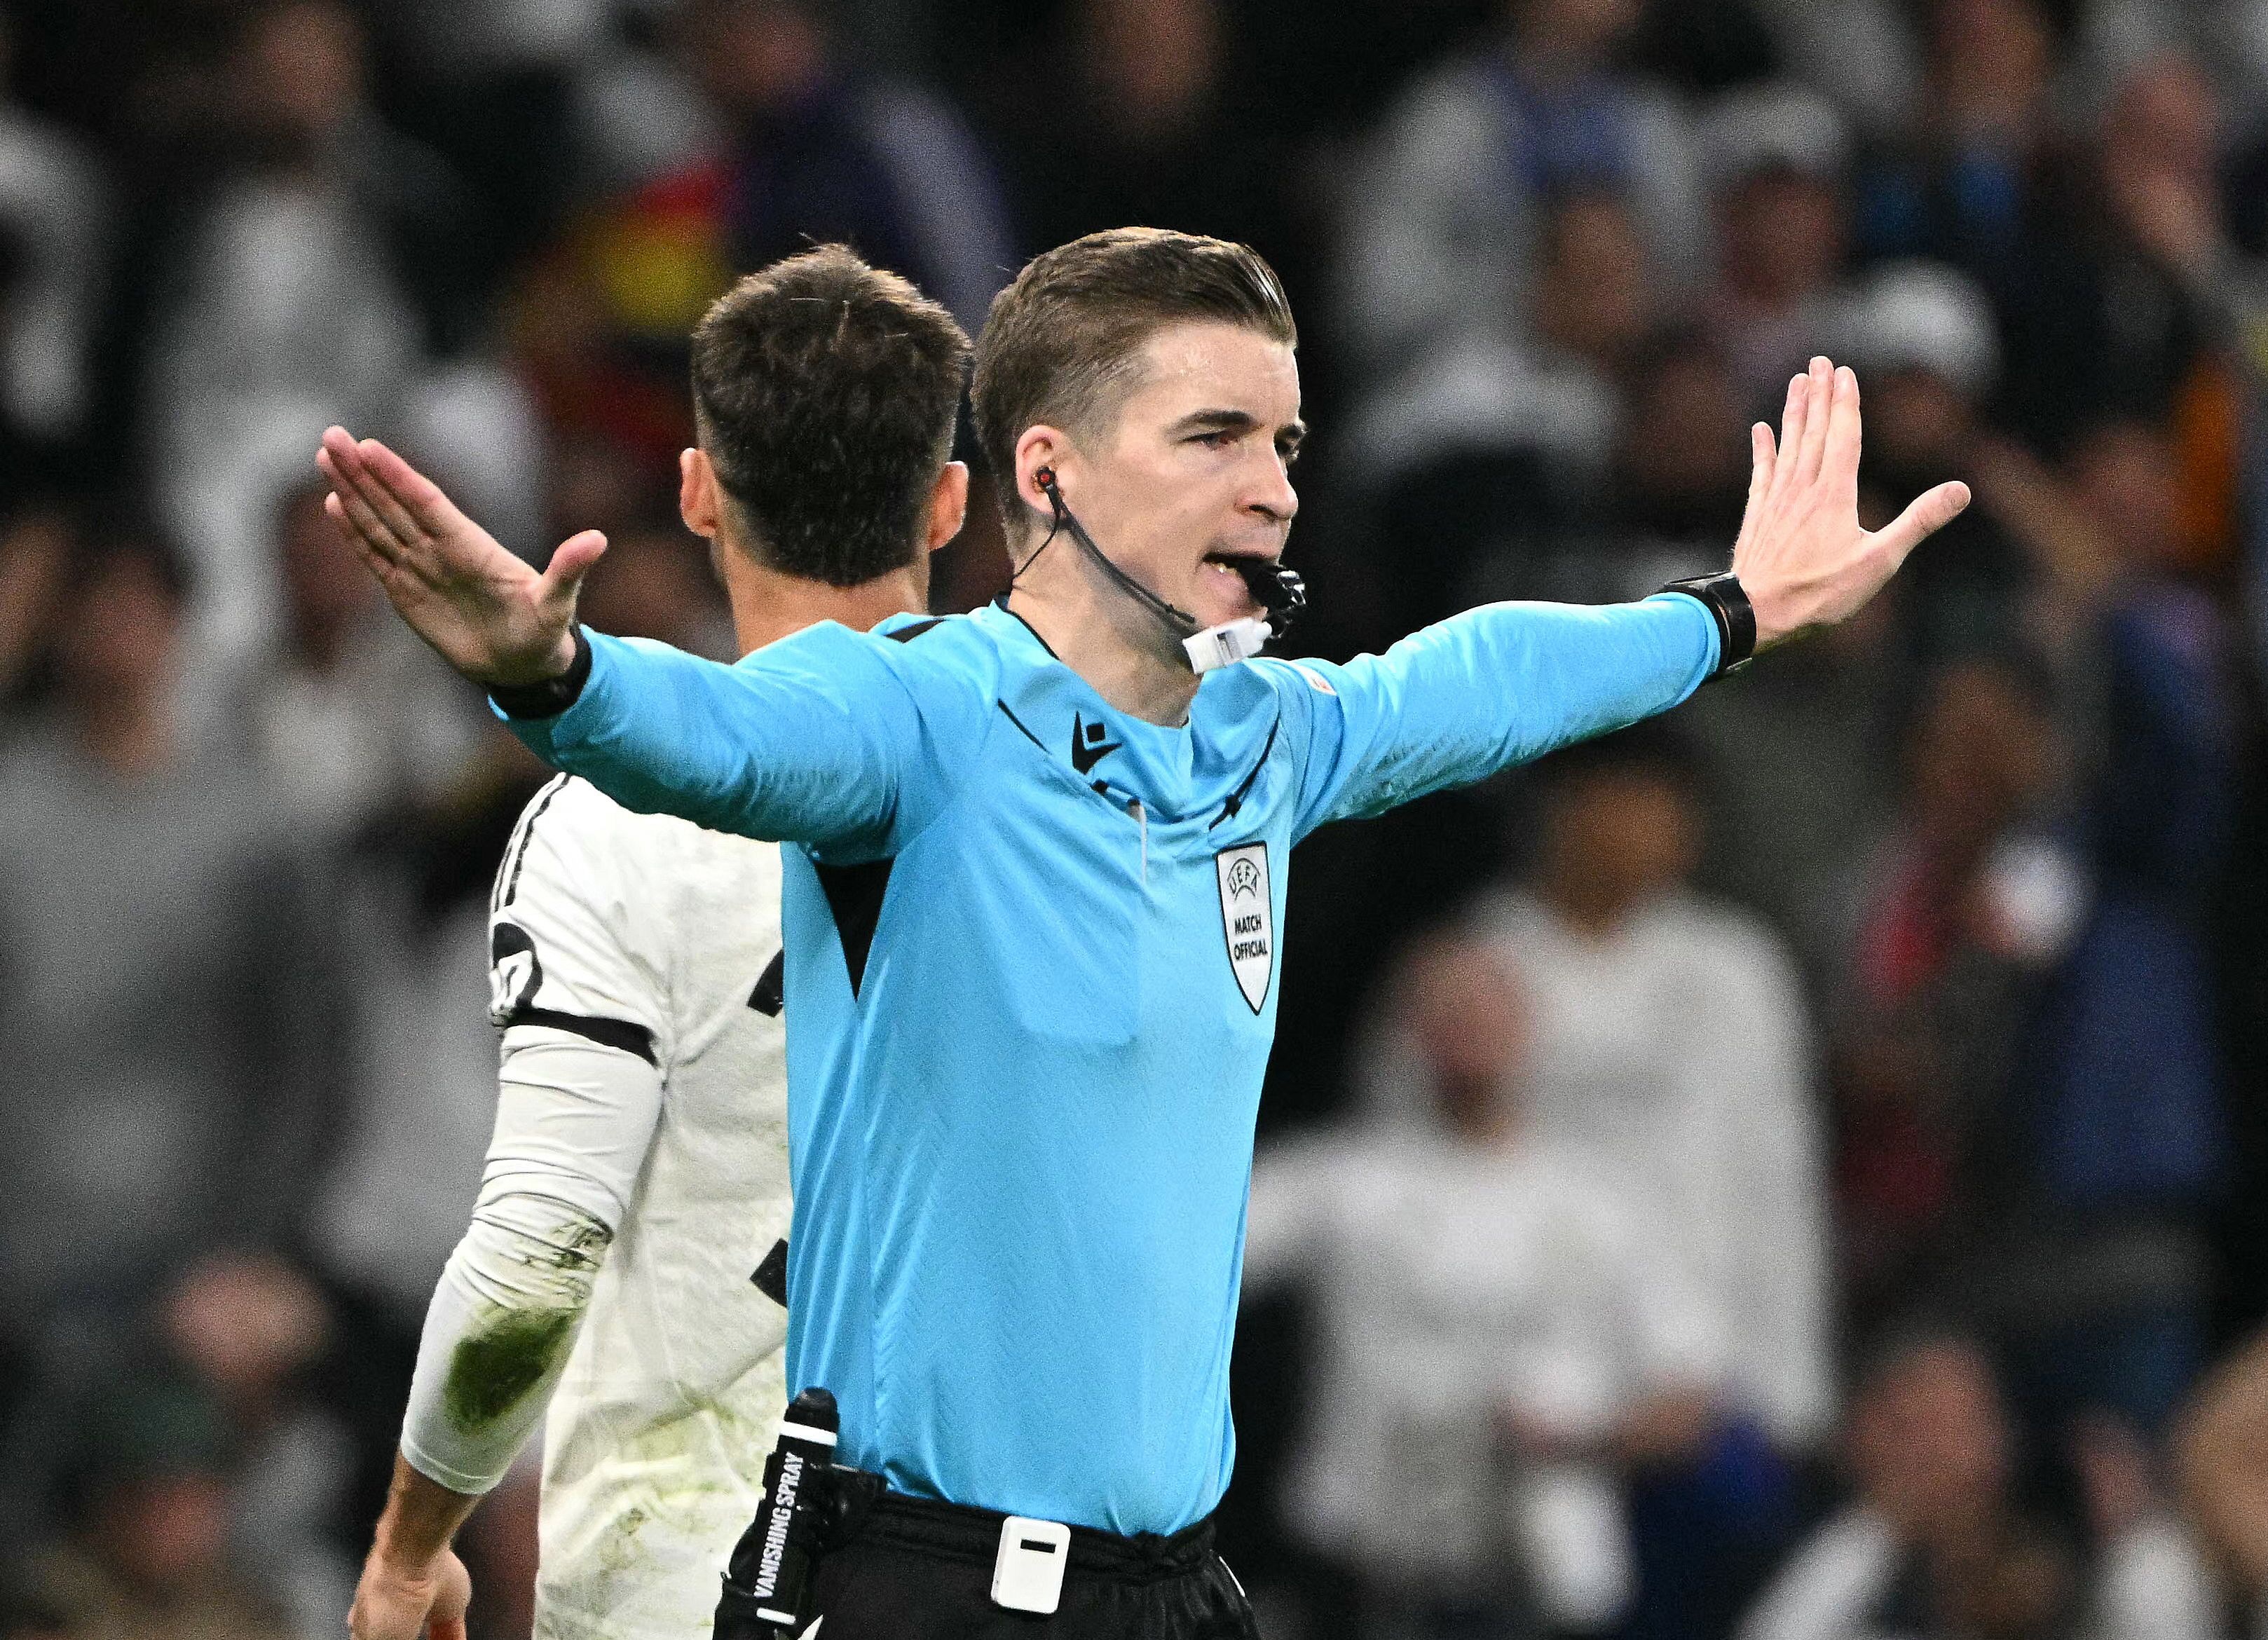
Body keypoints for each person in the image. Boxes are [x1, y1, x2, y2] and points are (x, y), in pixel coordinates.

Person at [320, 226, 1969, 1637]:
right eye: (1215, 436)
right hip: (915, 1590)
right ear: (1045, 471)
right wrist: (555, 677)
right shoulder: (918, 717)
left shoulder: (1259, 744)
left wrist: (1730, 610)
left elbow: (1472, 679)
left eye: (1288, 444)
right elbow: (719, 741)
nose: (1270, 488)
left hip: (1167, 1591)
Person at [341, 246, 971, 1640]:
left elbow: (540, 1247)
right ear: (947, 500)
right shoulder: (1078, 805)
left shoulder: (618, 821)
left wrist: (410, 1544)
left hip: (691, 1579)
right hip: (1006, 1584)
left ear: (695, 490)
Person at [1247, 933, 1726, 1639]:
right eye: (1444, 1012)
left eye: (1488, 1009)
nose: (1468, 1028)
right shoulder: (1343, 1180)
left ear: (1529, 1027)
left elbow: (1690, 1400)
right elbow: (1194, 1263)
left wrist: (1574, 1438)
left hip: (1529, 1580)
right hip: (1356, 1571)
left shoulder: (1599, 1199)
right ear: (1406, 1034)